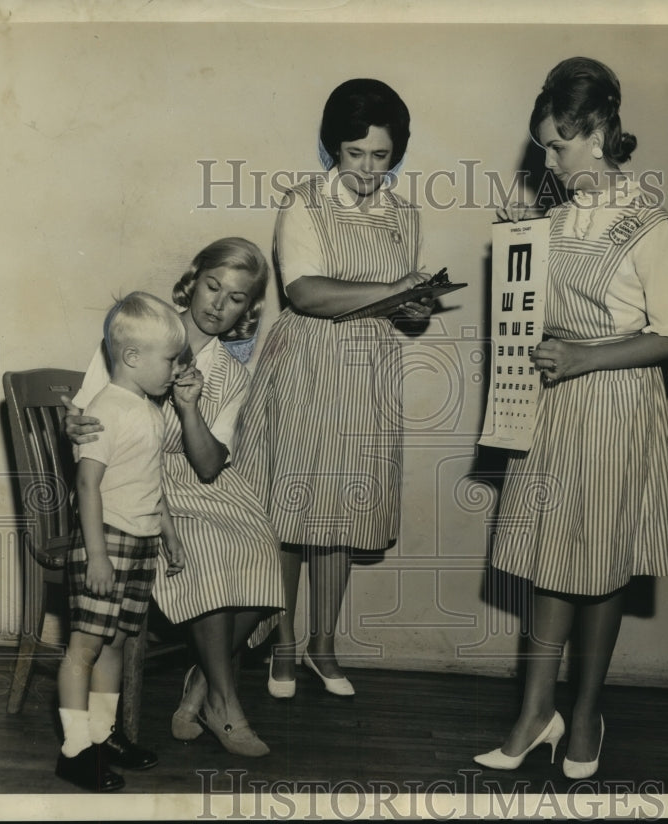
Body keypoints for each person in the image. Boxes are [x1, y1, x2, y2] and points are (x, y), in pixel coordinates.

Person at [474, 57, 668, 778]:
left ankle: (587, 713)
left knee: (599, 566)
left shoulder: (650, 224)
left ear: (599, 134)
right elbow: (538, 317)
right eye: (544, 145)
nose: (548, 159)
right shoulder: (556, 215)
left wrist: (582, 360)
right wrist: (520, 252)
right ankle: (536, 712)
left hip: (613, 403)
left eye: (558, 145)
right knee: (548, 555)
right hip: (552, 405)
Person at [232, 78, 433, 699]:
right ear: (331, 151)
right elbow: (306, 293)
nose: (370, 170)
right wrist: (394, 290)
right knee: (292, 511)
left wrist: (416, 299)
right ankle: (284, 645)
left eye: (382, 156)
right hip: (306, 365)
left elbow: (413, 317)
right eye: (356, 155)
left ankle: (324, 645)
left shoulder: (405, 214)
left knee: (341, 512)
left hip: (368, 371)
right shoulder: (303, 203)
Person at [63, 237, 284, 758]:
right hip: (134, 485)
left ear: (247, 310)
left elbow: (209, 464)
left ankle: (203, 683)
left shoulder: (231, 373)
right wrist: (75, 423)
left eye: (235, 299)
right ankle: (225, 705)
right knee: (208, 551)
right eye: (212, 287)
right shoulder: (142, 331)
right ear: (194, 278)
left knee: (261, 550)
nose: (217, 305)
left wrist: (189, 409)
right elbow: (86, 411)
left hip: (200, 482)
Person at [56, 291, 187, 792]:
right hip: (106, 541)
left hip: (141, 539)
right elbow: (87, 486)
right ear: (132, 357)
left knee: (114, 643)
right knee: (84, 648)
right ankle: (73, 750)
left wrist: (169, 532)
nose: (175, 369)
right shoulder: (105, 410)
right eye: (170, 359)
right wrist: (96, 555)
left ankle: (103, 734)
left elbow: (152, 481)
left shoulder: (150, 408)